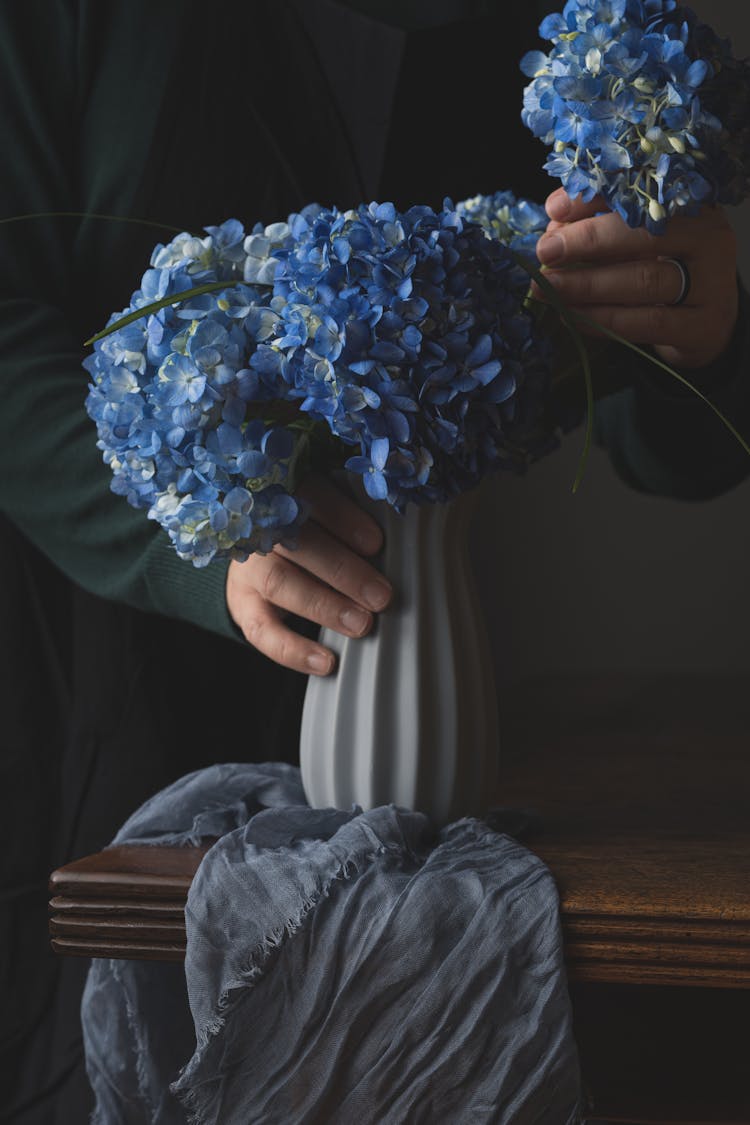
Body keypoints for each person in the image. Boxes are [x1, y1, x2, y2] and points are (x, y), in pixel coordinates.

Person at [1, 1, 748, 1120]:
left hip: (445, 709)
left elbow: (666, 444)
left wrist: (702, 317)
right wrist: (202, 530)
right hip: (90, 681)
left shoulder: (569, 29)